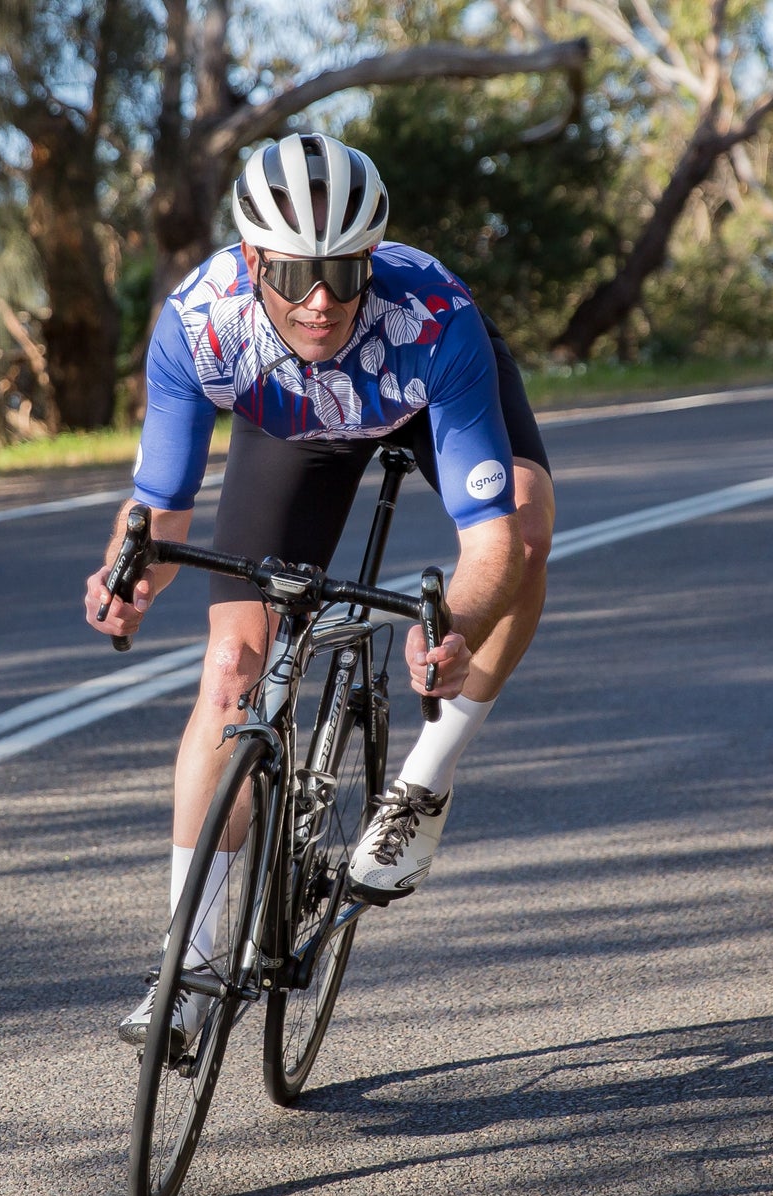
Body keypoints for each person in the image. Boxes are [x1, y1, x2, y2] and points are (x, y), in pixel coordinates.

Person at [85, 132, 554, 1048]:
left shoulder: (430, 318)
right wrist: (127, 576)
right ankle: (190, 966)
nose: (322, 301)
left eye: (344, 273)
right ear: (254, 258)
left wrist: (454, 624)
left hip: (417, 393)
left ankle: (426, 780)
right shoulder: (200, 322)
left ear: (370, 258)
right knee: (230, 673)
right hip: (292, 422)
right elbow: (161, 509)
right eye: (296, 274)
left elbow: (492, 541)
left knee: (531, 538)